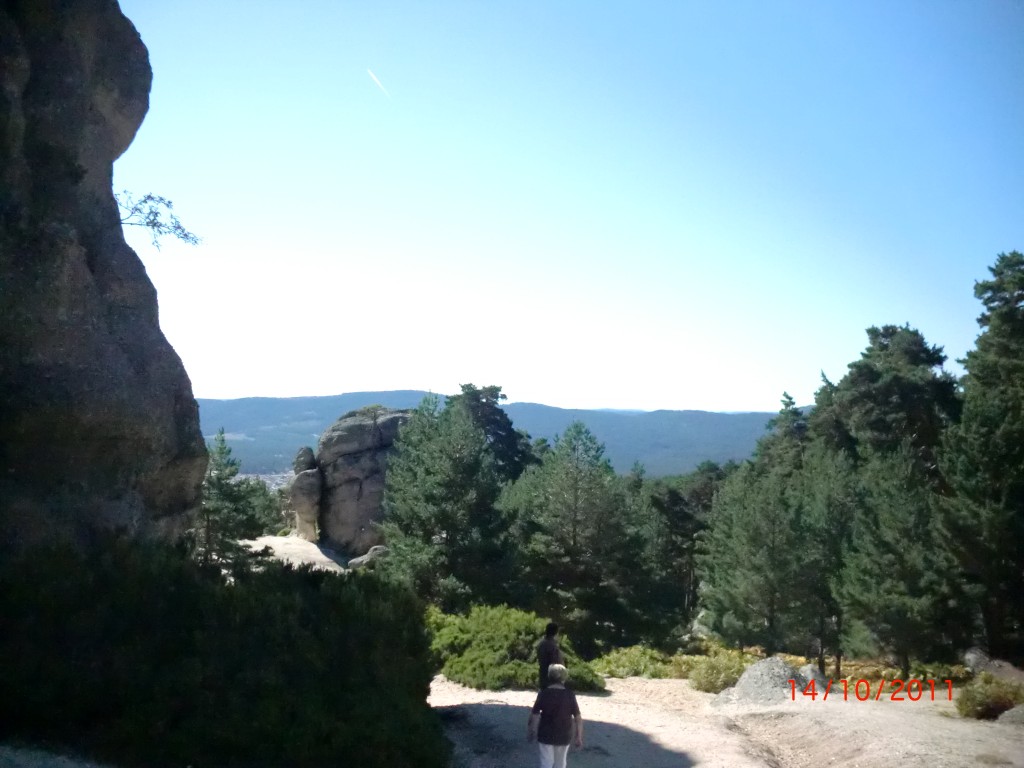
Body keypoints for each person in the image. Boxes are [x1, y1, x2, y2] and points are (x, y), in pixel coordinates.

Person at [527, 664, 583, 768]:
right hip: (564, 734)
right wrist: (578, 736)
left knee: (546, 763)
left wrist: (532, 731)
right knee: (560, 763)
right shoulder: (569, 695)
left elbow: (534, 715)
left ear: (549, 676)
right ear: (564, 678)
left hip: (545, 734)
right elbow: (578, 718)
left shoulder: (543, 693)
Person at [537, 621, 564, 689]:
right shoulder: (552, 645)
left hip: (542, 674)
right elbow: (555, 662)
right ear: (555, 632)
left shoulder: (541, 643)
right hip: (552, 677)